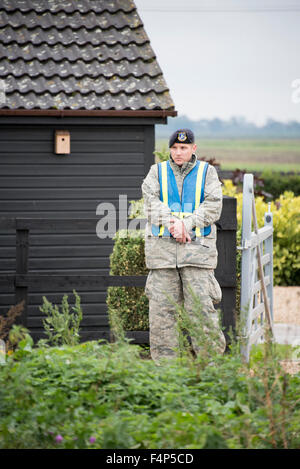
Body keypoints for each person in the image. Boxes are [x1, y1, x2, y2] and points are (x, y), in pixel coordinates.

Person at [141, 128, 226, 363]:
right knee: (161, 315)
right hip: (162, 256)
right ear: (170, 149)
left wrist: (186, 225)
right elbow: (150, 201)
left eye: (184, 148)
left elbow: (213, 205)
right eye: (175, 148)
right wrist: (172, 224)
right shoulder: (156, 172)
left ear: (193, 149)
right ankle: (166, 374)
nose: (179, 152)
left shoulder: (207, 173)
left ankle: (211, 369)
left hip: (197, 255)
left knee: (200, 313)